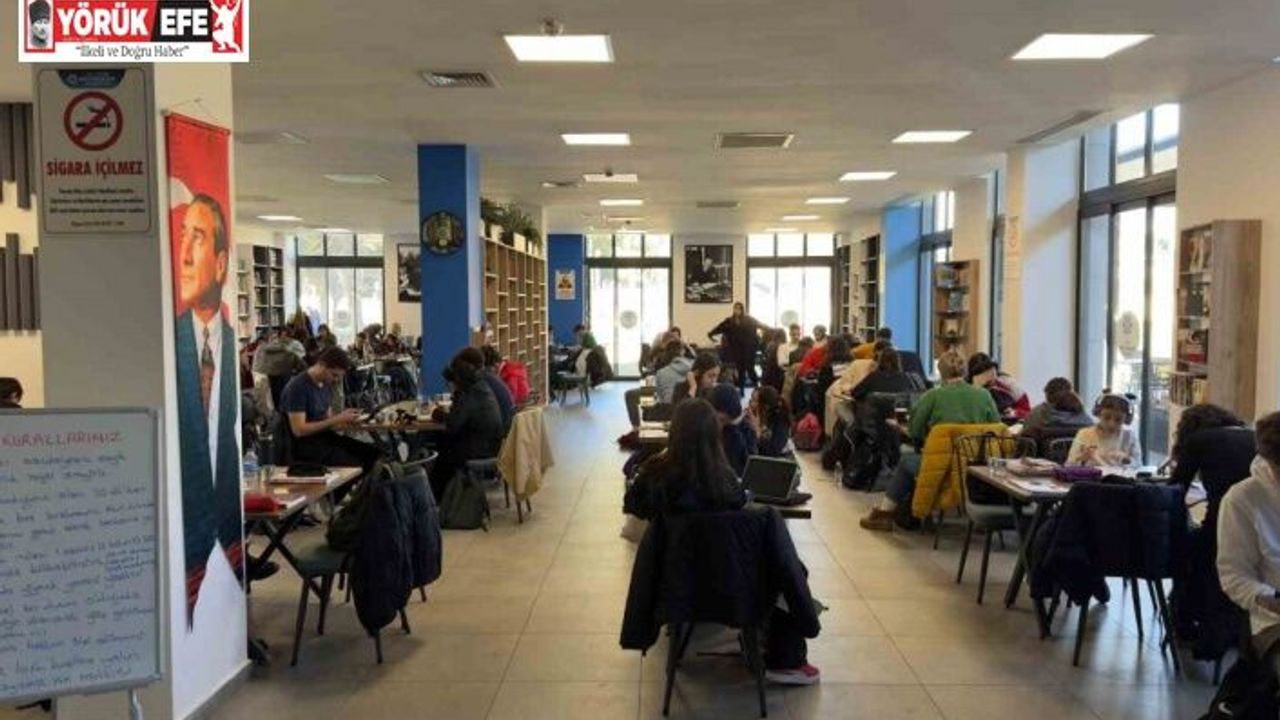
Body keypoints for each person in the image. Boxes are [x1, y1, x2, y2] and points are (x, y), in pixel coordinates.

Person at [622, 399, 821, 685]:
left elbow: (632, 504)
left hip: (674, 588)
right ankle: (785, 655)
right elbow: (740, 508)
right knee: (786, 567)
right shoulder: (725, 481)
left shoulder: (656, 474)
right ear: (714, 435)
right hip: (733, 590)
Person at [174, 194, 246, 620]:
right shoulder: (168, 346)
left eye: (196, 238)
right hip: (187, 538)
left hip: (228, 527)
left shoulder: (232, 346)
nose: (183, 254)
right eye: (182, 236)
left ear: (220, 265)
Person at [860, 350, 1000, 531]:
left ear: (941, 372)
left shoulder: (932, 396)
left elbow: (915, 431)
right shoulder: (984, 395)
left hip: (940, 466)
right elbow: (996, 428)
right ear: (965, 370)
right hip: (976, 467)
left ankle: (885, 513)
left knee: (906, 462)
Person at [1217, 412, 1280, 675]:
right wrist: (1270, 599)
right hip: (1273, 623)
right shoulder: (1243, 498)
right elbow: (1234, 576)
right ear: (1269, 461)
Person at [279, 347, 380, 472]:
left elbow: (327, 420)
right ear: (321, 365)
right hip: (305, 445)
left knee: (372, 454)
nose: (336, 380)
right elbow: (299, 430)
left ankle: (363, 483)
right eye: (334, 375)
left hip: (323, 438)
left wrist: (347, 420)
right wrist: (337, 419)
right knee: (355, 464)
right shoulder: (297, 388)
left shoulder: (325, 385)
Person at [428, 352, 505, 500]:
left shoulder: (468, 394)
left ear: (458, 379)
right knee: (442, 444)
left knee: (439, 449)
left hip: (479, 450)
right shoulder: (481, 387)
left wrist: (438, 413)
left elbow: (453, 424)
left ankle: (439, 498)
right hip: (491, 445)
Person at [1066, 394, 1141, 467]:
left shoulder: (1129, 437)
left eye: (1118, 420)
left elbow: (1138, 464)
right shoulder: (1084, 434)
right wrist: (1082, 459)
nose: (1111, 424)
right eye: (1106, 417)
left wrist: (1127, 460)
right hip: (1091, 475)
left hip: (1120, 475)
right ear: (1098, 414)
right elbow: (1069, 465)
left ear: (1126, 419)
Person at [708, 302, 766, 394]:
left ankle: (758, 388)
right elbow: (719, 327)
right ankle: (741, 390)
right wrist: (711, 334)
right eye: (736, 308)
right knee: (740, 370)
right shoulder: (729, 321)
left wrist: (772, 331)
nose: (737, 310)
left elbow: (761, 325)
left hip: (749, 350)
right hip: (737, 350)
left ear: (742, 310)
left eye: (739, 308)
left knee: (750, 369)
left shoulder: (749, 320)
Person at [458, 347, 514, 433]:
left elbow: (459, 418)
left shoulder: (480, 381)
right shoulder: (492, 379)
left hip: (496, 433)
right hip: (505, 428)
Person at [709, 383, 758, 476]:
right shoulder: (704, 427)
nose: (720, 425)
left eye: (724, 421)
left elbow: (748, 468)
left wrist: (733, 429)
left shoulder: (745, 430)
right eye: (719, 419)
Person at [967, 352, 1031, 421]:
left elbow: (1028, 412)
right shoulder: (967, 390)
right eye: (986, 385)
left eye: (992, 374)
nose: (991, 385)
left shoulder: (1008, 383)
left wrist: (1014, 412)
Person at [1021, 377, 1094, 436]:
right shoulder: (1083, 416)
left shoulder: (1037, 413)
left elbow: (1025, 435)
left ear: (1047, 395)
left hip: (1045, 450)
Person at [748, 385, 793, 457]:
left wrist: (758, 434)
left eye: (755, 401)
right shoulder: (751, 417)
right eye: (751, 399)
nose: (751, 404)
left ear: (766, 407)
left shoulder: (780, 421)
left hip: (777, 460)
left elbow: (774, 451)